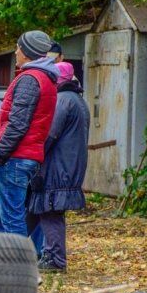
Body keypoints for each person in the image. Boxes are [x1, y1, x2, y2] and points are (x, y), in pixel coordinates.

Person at [0, 30, 59, 237]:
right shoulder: (45, 78)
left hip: (16, 157)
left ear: (27, 51)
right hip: (27, 155)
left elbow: (18, 123)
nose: (15, 52)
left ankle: (17, 265)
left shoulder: (30, 79)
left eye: (18, 47)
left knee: (11, 217)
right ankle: (14, 258)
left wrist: (2, 153)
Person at [28, 62, 89, 272]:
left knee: (49, 210)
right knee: (41, 211)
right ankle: (40, 253)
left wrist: (33, 152)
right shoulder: (78, 100)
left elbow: (49, 134)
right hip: (68, 165)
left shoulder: (62, 100)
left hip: (57, 167)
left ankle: (55, 258)